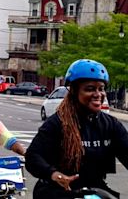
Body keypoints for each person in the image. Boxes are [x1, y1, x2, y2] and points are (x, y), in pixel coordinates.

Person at [25, 59, 128, 199]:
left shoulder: (111, 125)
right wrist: (54, 175)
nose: (98, 94)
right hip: (57, 190)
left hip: (95, 191)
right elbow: (33, 157)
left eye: (101, 88)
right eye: (90, 89)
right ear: (73, 91)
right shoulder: (58, 123)